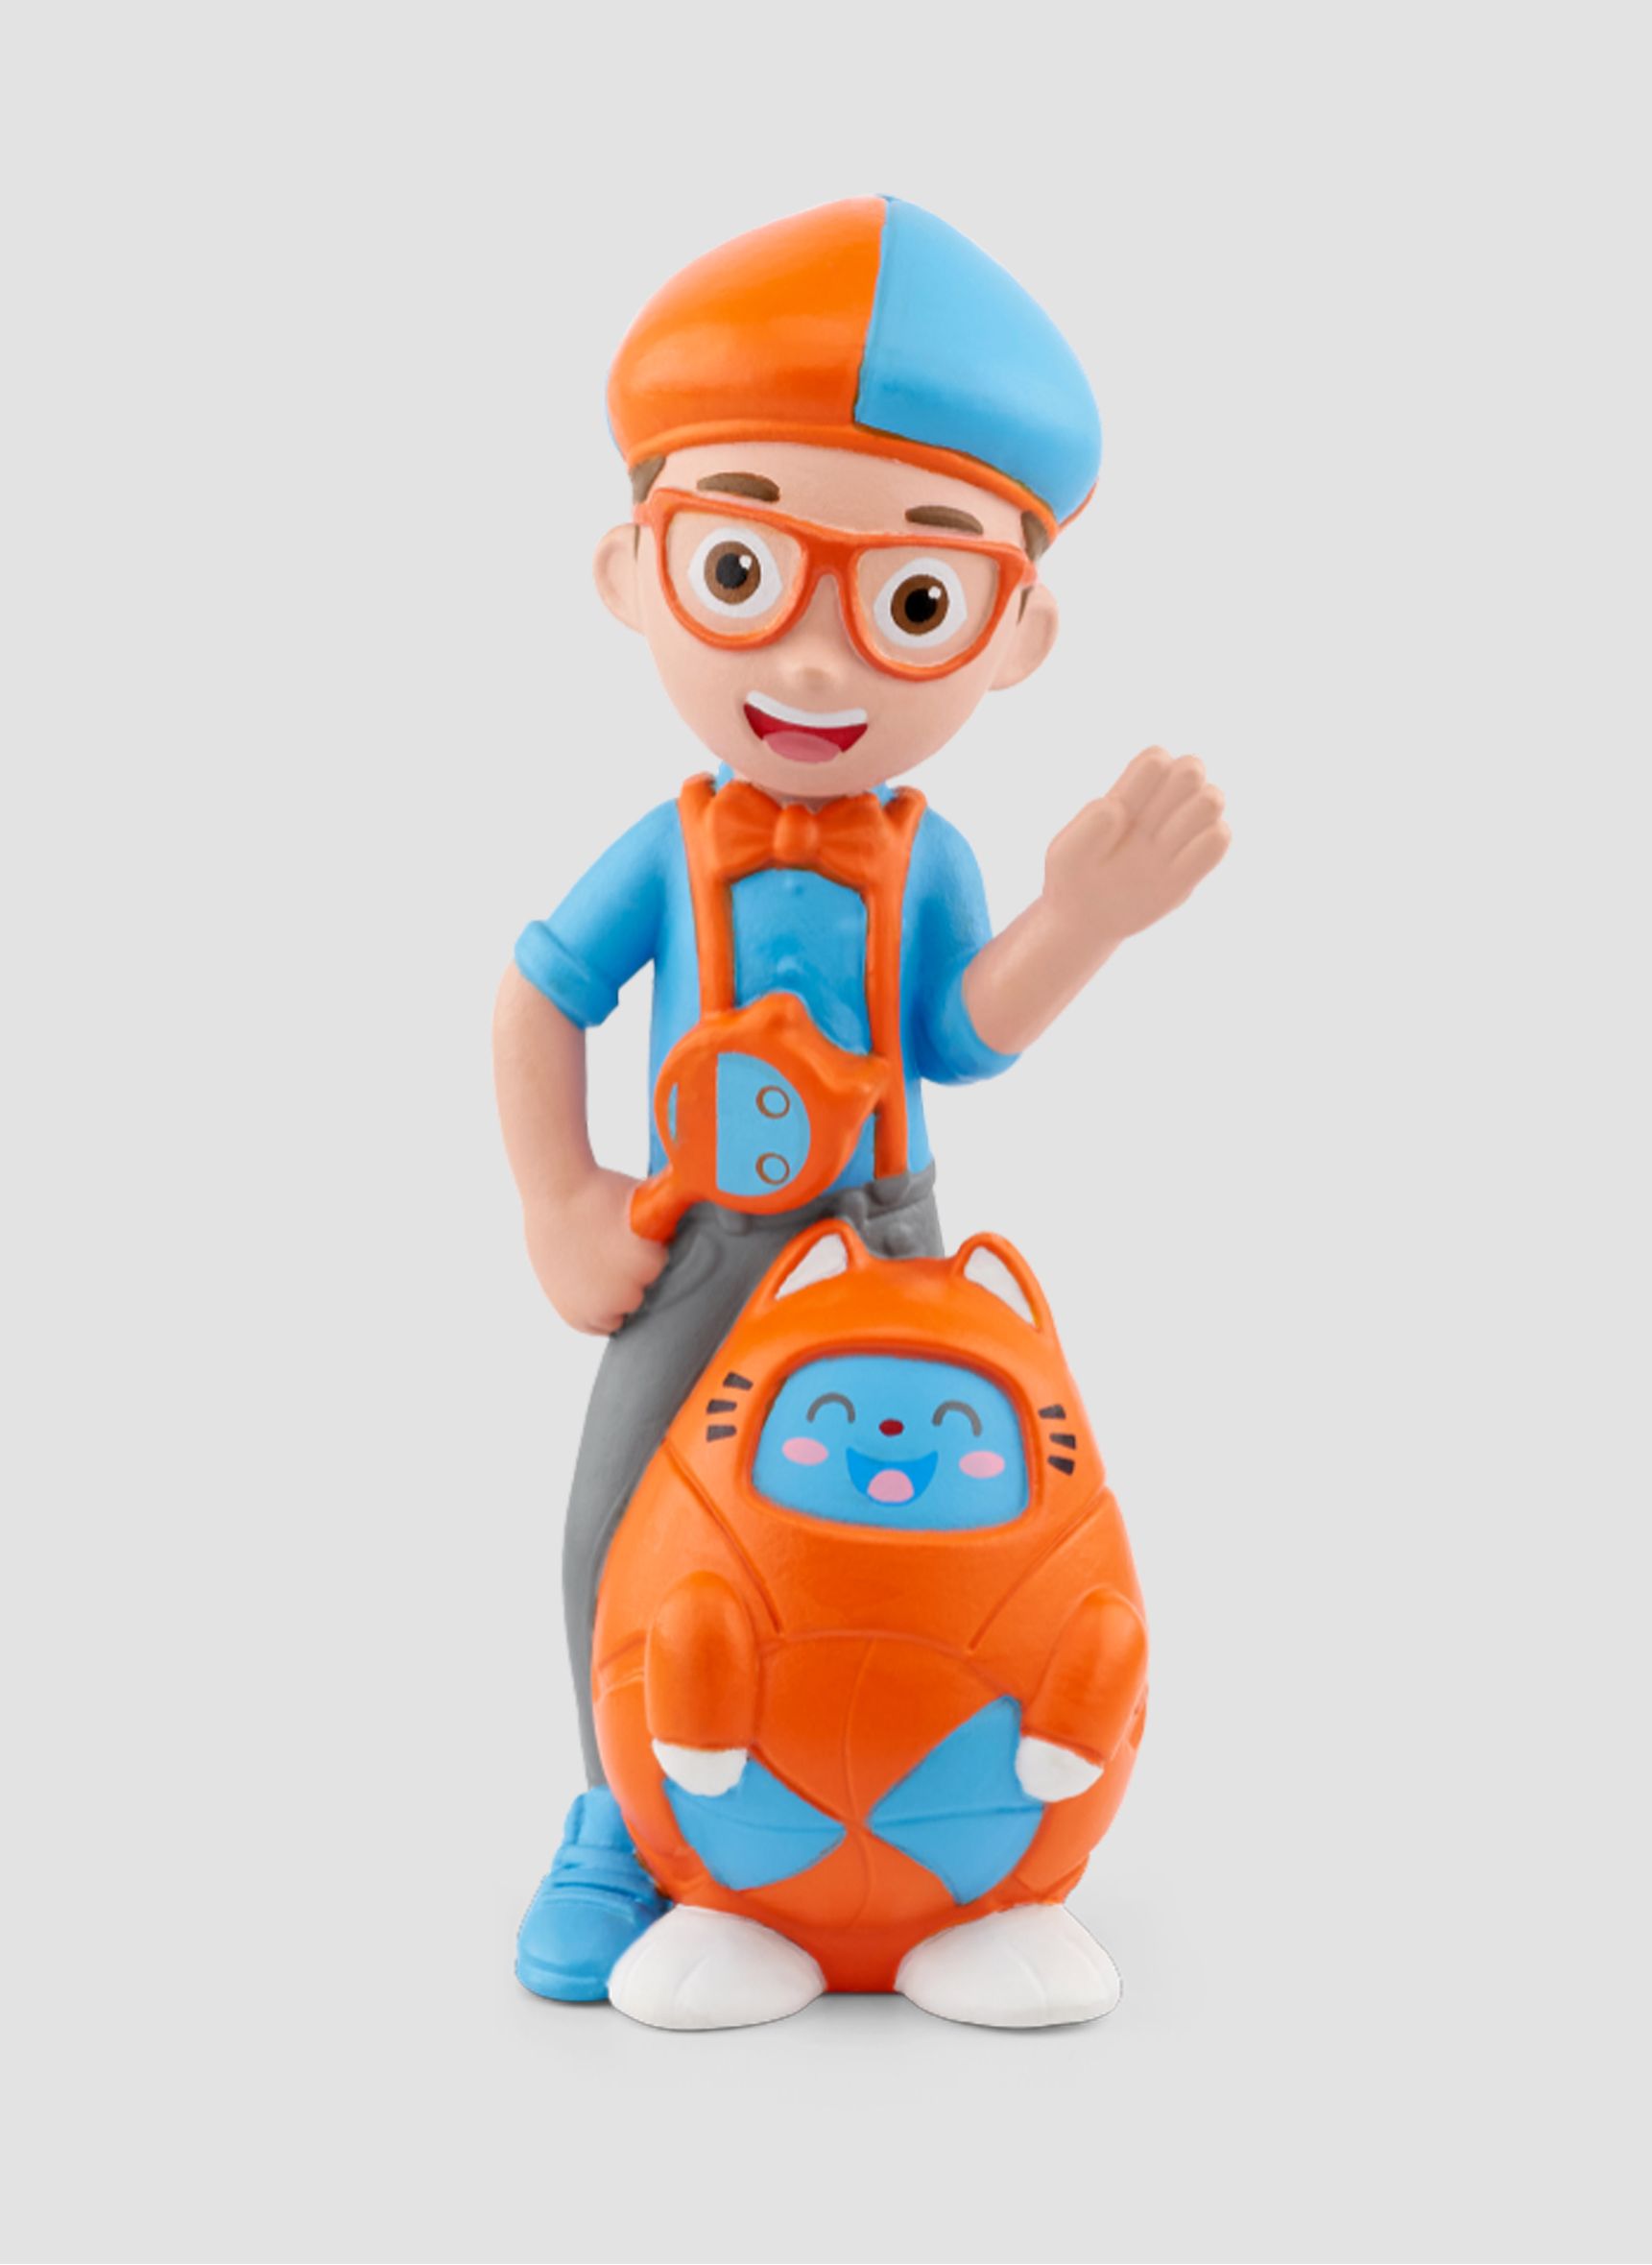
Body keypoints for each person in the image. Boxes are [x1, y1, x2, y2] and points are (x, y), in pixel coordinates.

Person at [493, 197, 1231, 2003]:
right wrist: (562, 1201)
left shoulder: (929, 855)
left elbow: (963, 1034)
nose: (815, 663)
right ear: (633, 573)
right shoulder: (666, 846)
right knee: (615, 1515)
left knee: (938, 1525)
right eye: (744, 571)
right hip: (700, 1240)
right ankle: (620, 1816)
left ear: (1013, 633)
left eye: (912, 600)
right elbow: (542, 990)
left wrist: (1081, 919)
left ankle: (929, 1836)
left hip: (890, 1240)